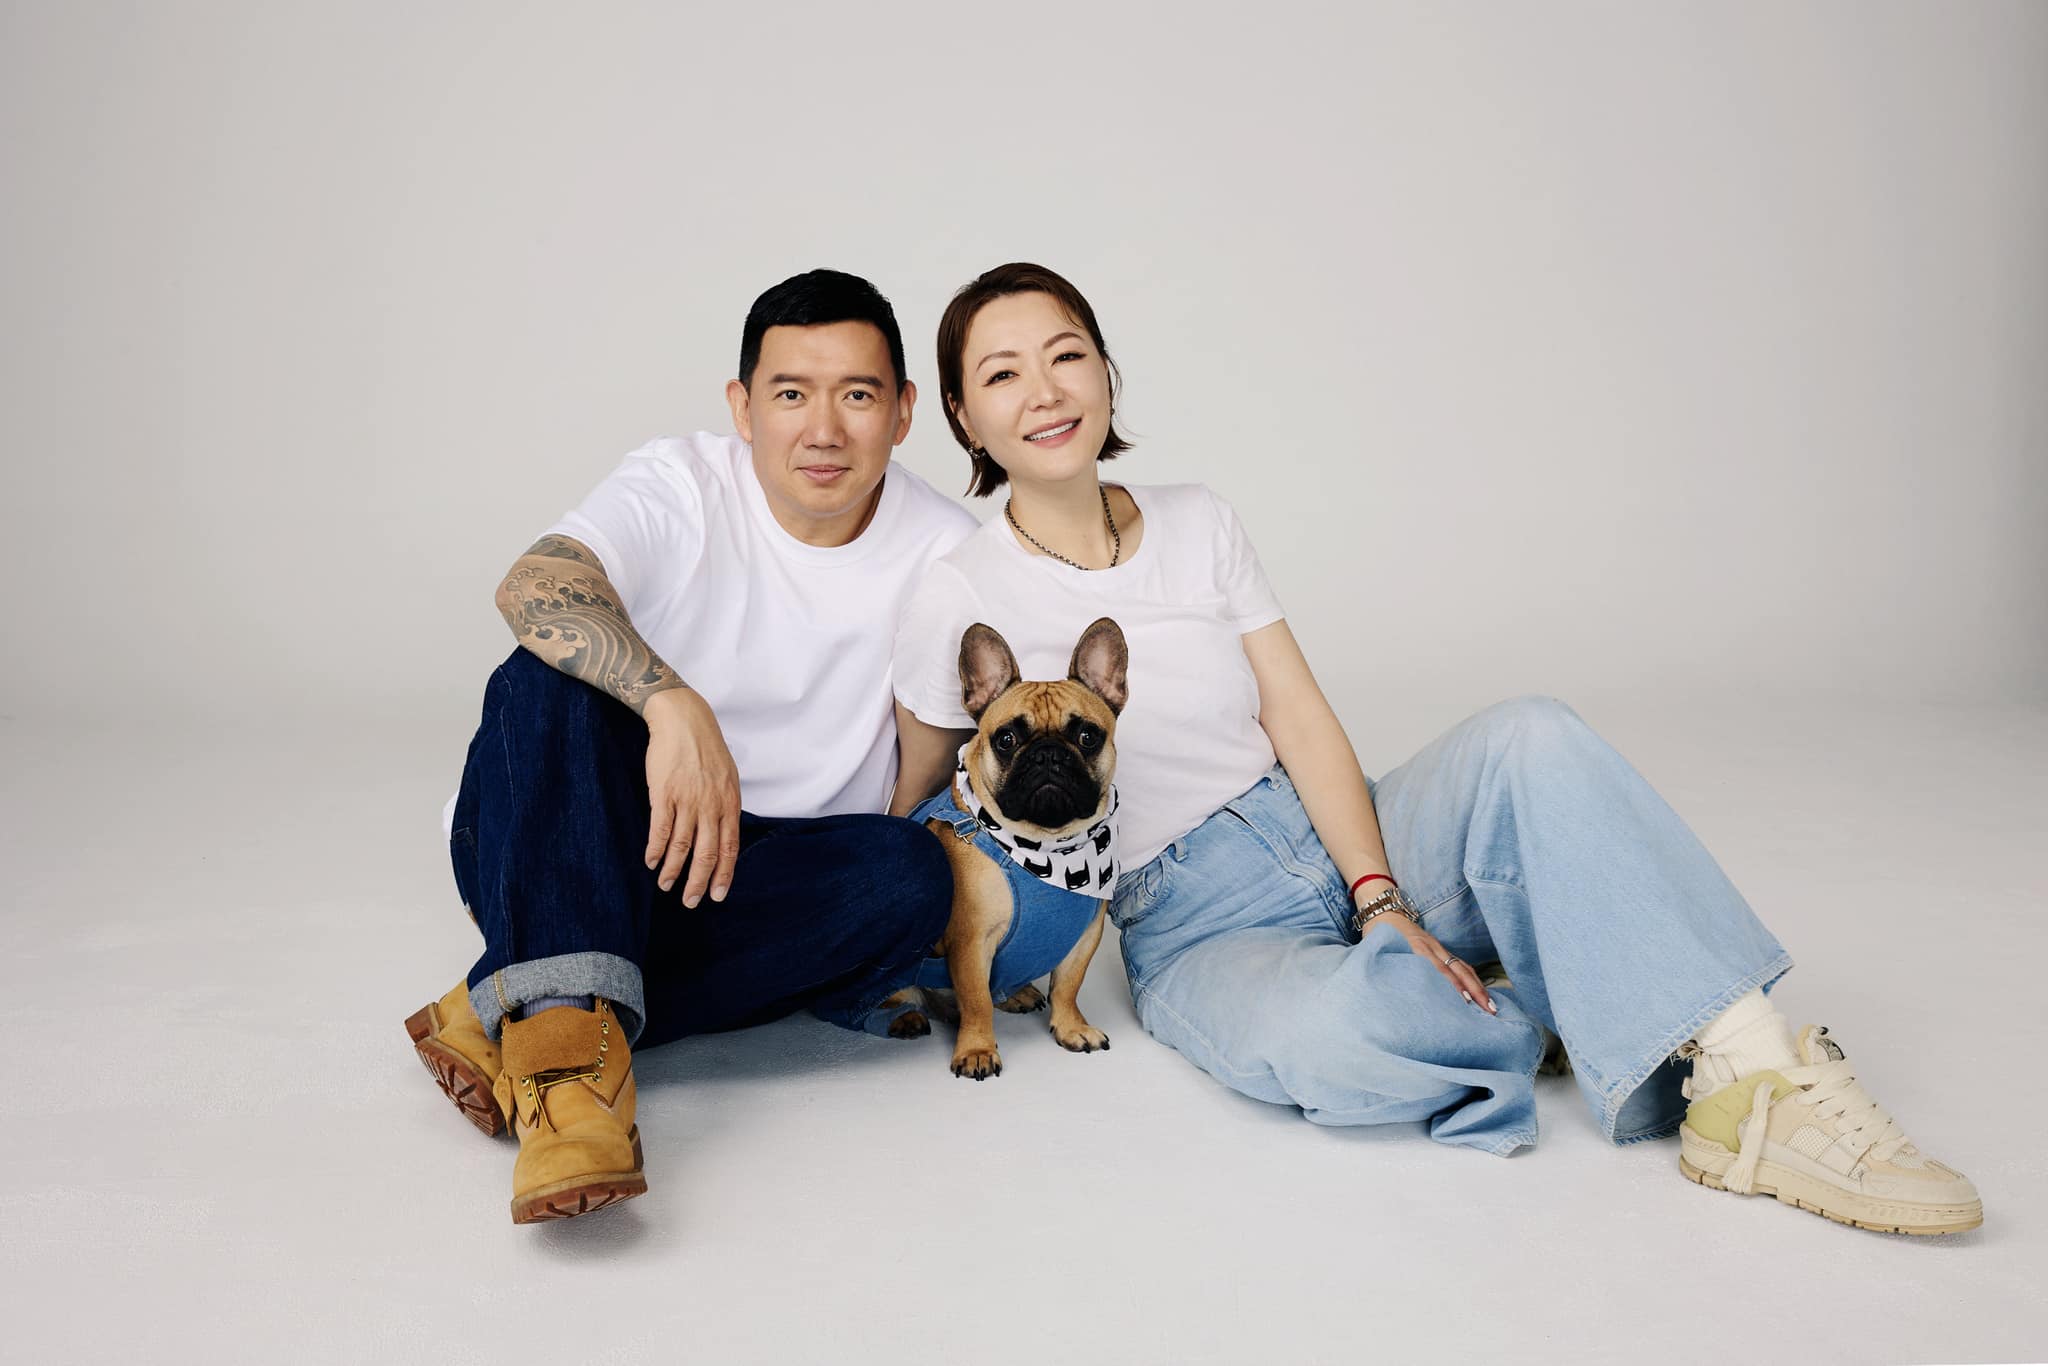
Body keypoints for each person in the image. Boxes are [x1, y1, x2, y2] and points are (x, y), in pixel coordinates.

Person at [889, 262, 1982, 1236]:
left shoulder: (1199, 517)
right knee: (1329, 1041)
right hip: (1190, 916)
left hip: (1335, 821)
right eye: (1001, 374)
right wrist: (880, 953)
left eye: (1066, 355)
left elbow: (1300, 718)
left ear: (1105, 374)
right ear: (962, 417)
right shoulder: (957, 587)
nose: (1043, 391)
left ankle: (1753, 1079)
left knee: (1531, 736)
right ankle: (1600, 998)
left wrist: (1378, 894)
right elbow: (924, 792)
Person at [407, 268, 977, 1224]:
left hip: (769, 880)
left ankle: (520, 998)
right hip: (580, 836)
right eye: (790, 394)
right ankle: (572, 1095)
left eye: (858, 395)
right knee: (546, 675)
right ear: (742, 407)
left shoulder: (948, 549)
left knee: (914, 875)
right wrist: (673, 704)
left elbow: (928, 772)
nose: (823, 430)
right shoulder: (680, 481)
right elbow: (533, 585)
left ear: (904, 411)